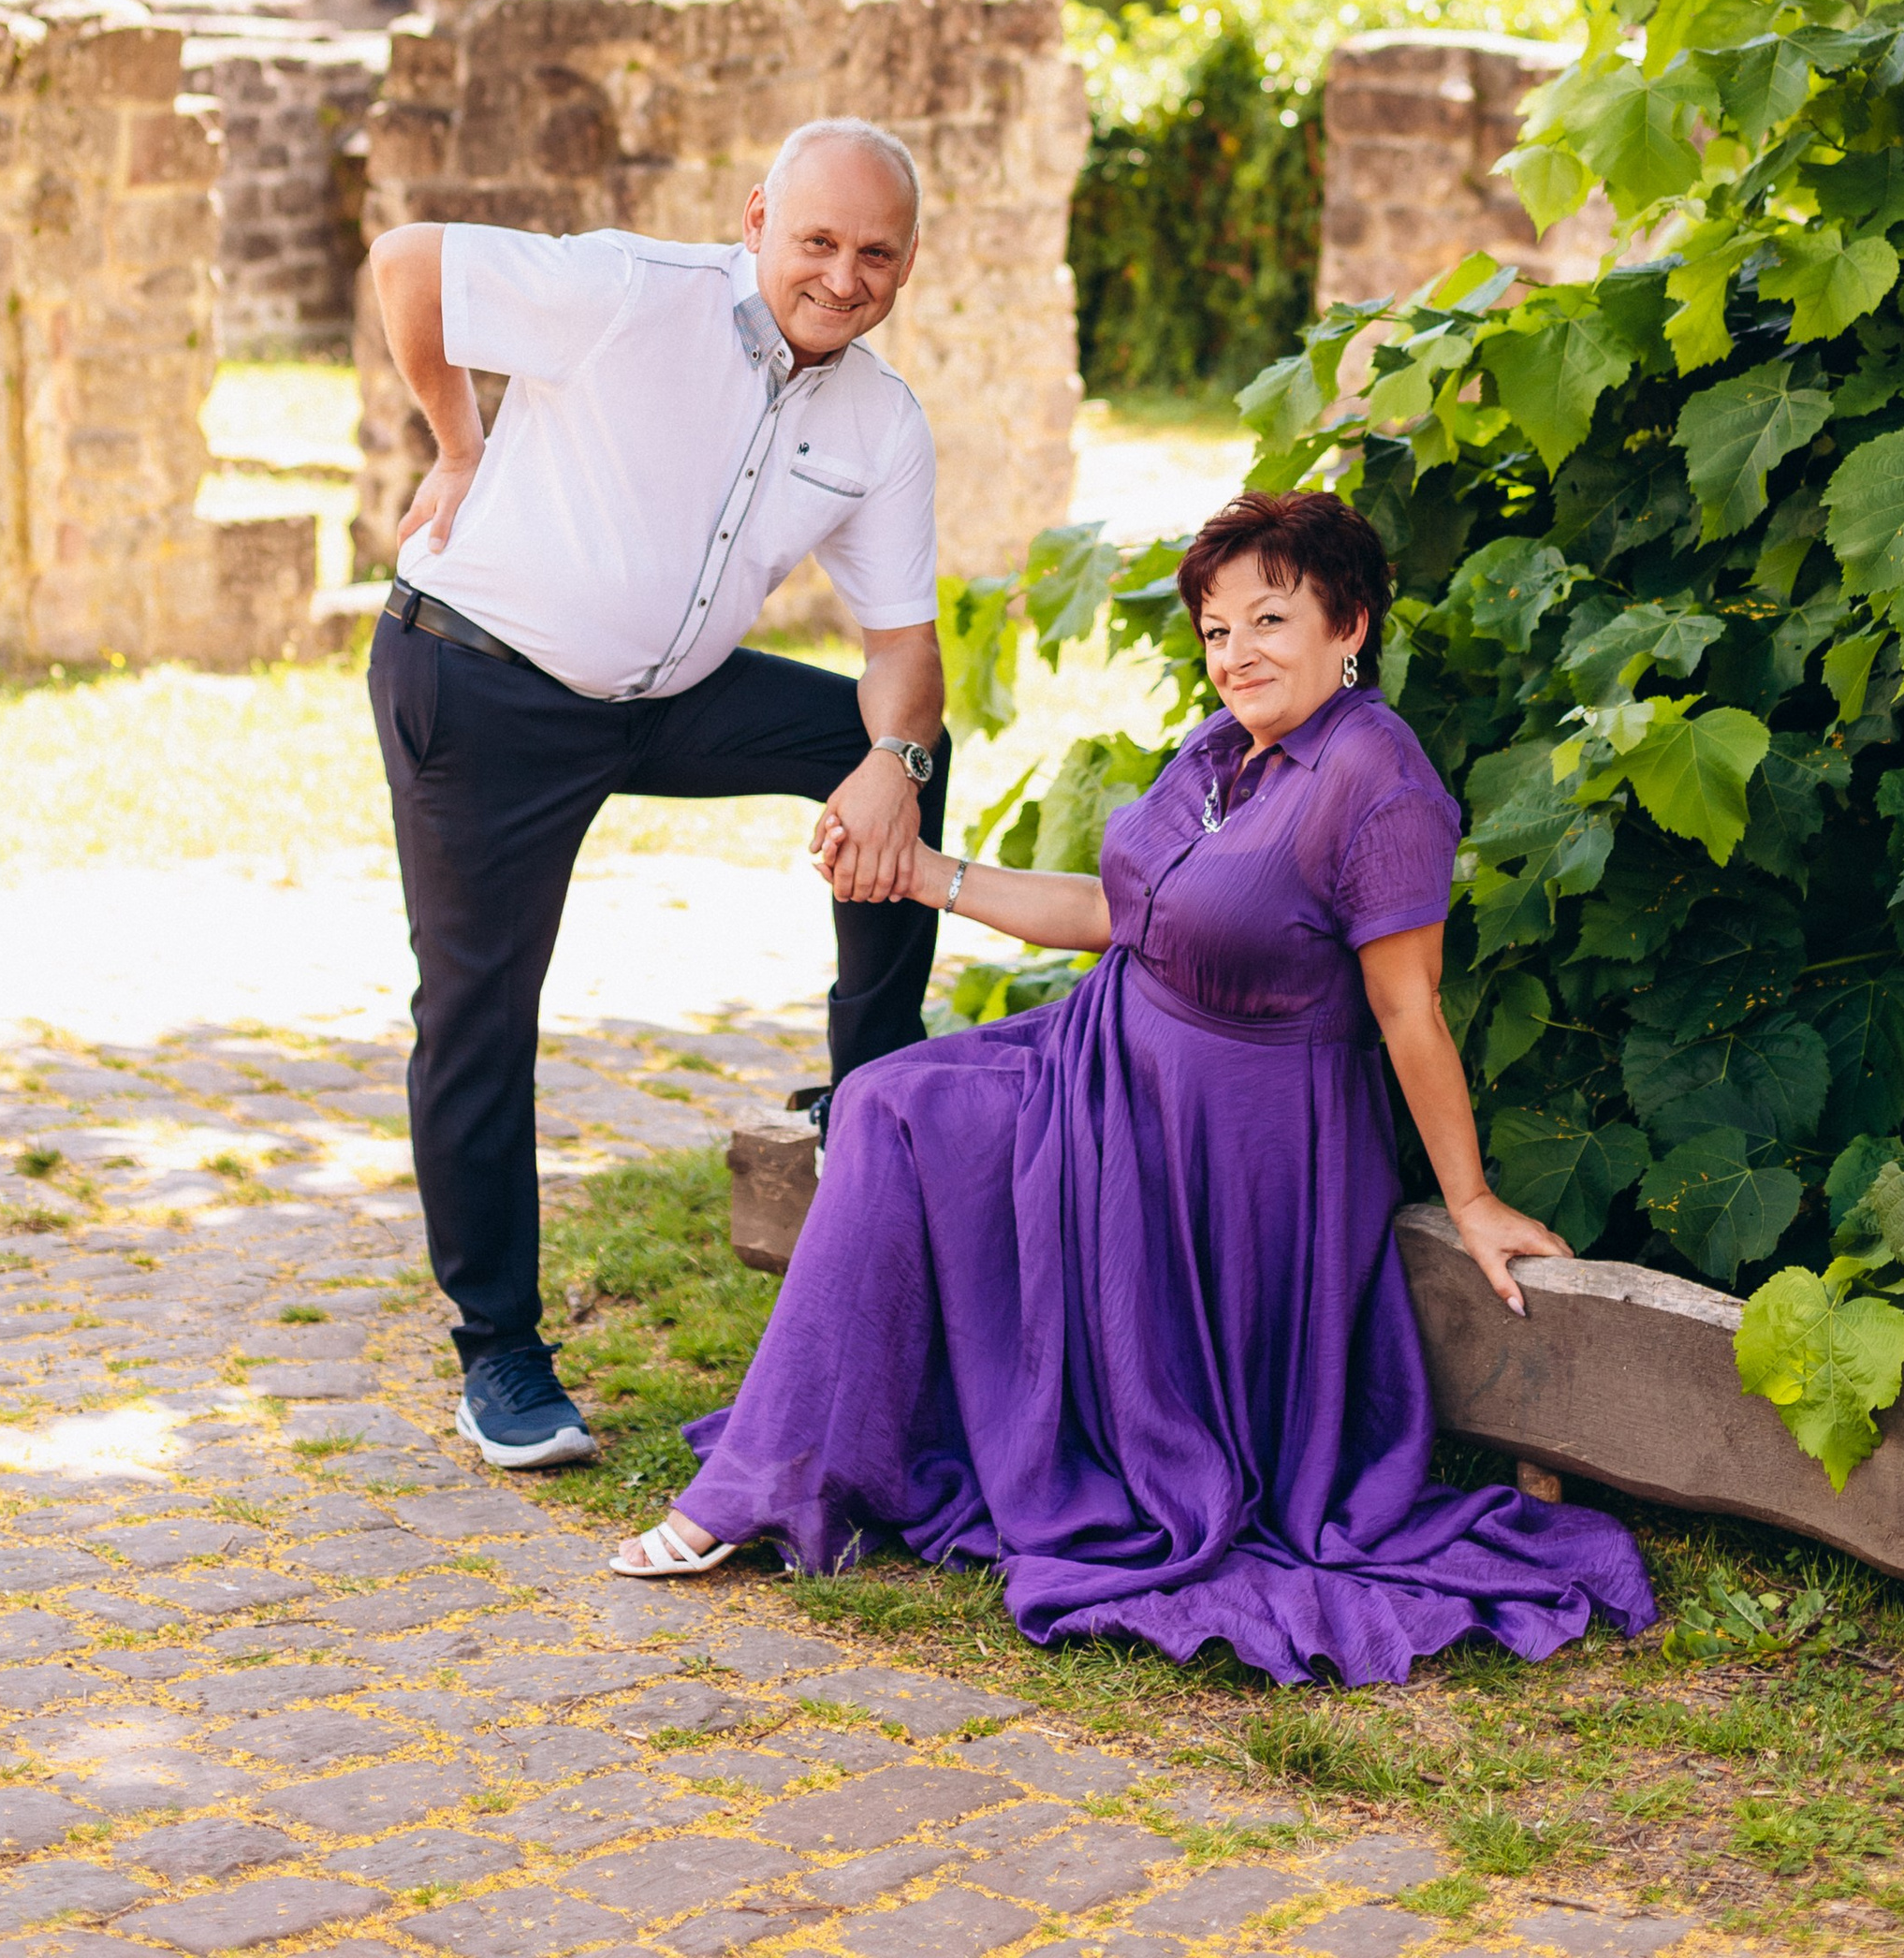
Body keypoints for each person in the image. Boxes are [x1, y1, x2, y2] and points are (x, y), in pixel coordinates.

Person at [614, 485, 1654, 1688]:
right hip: (1102, 1056)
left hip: (1230, 1140)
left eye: (1268, 620)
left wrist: (1467, 1198)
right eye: (1216, 630)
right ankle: (803, 1454)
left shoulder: (1379, 780)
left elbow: (1406, 1007)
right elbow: (1117, 913)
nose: (1235, 653)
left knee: (898, 1108)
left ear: (1349, 624)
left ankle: (758, 1482)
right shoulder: (1224, 749)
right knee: (883, 1097)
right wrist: (926, 875)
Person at [366, 116, 949, 1474]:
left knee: (889, 746)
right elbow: (407, 262)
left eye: (875, 254)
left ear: (908, 261)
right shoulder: (632, 291)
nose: (843, 277)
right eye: (817, 241)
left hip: (663, 697)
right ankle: (499, 1353)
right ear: (755, 221)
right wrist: (458, 443)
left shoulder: (880, 420)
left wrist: (891, 768)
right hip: (486, 684)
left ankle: (868, 1085)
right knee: (478, 1009)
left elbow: (904, 652)